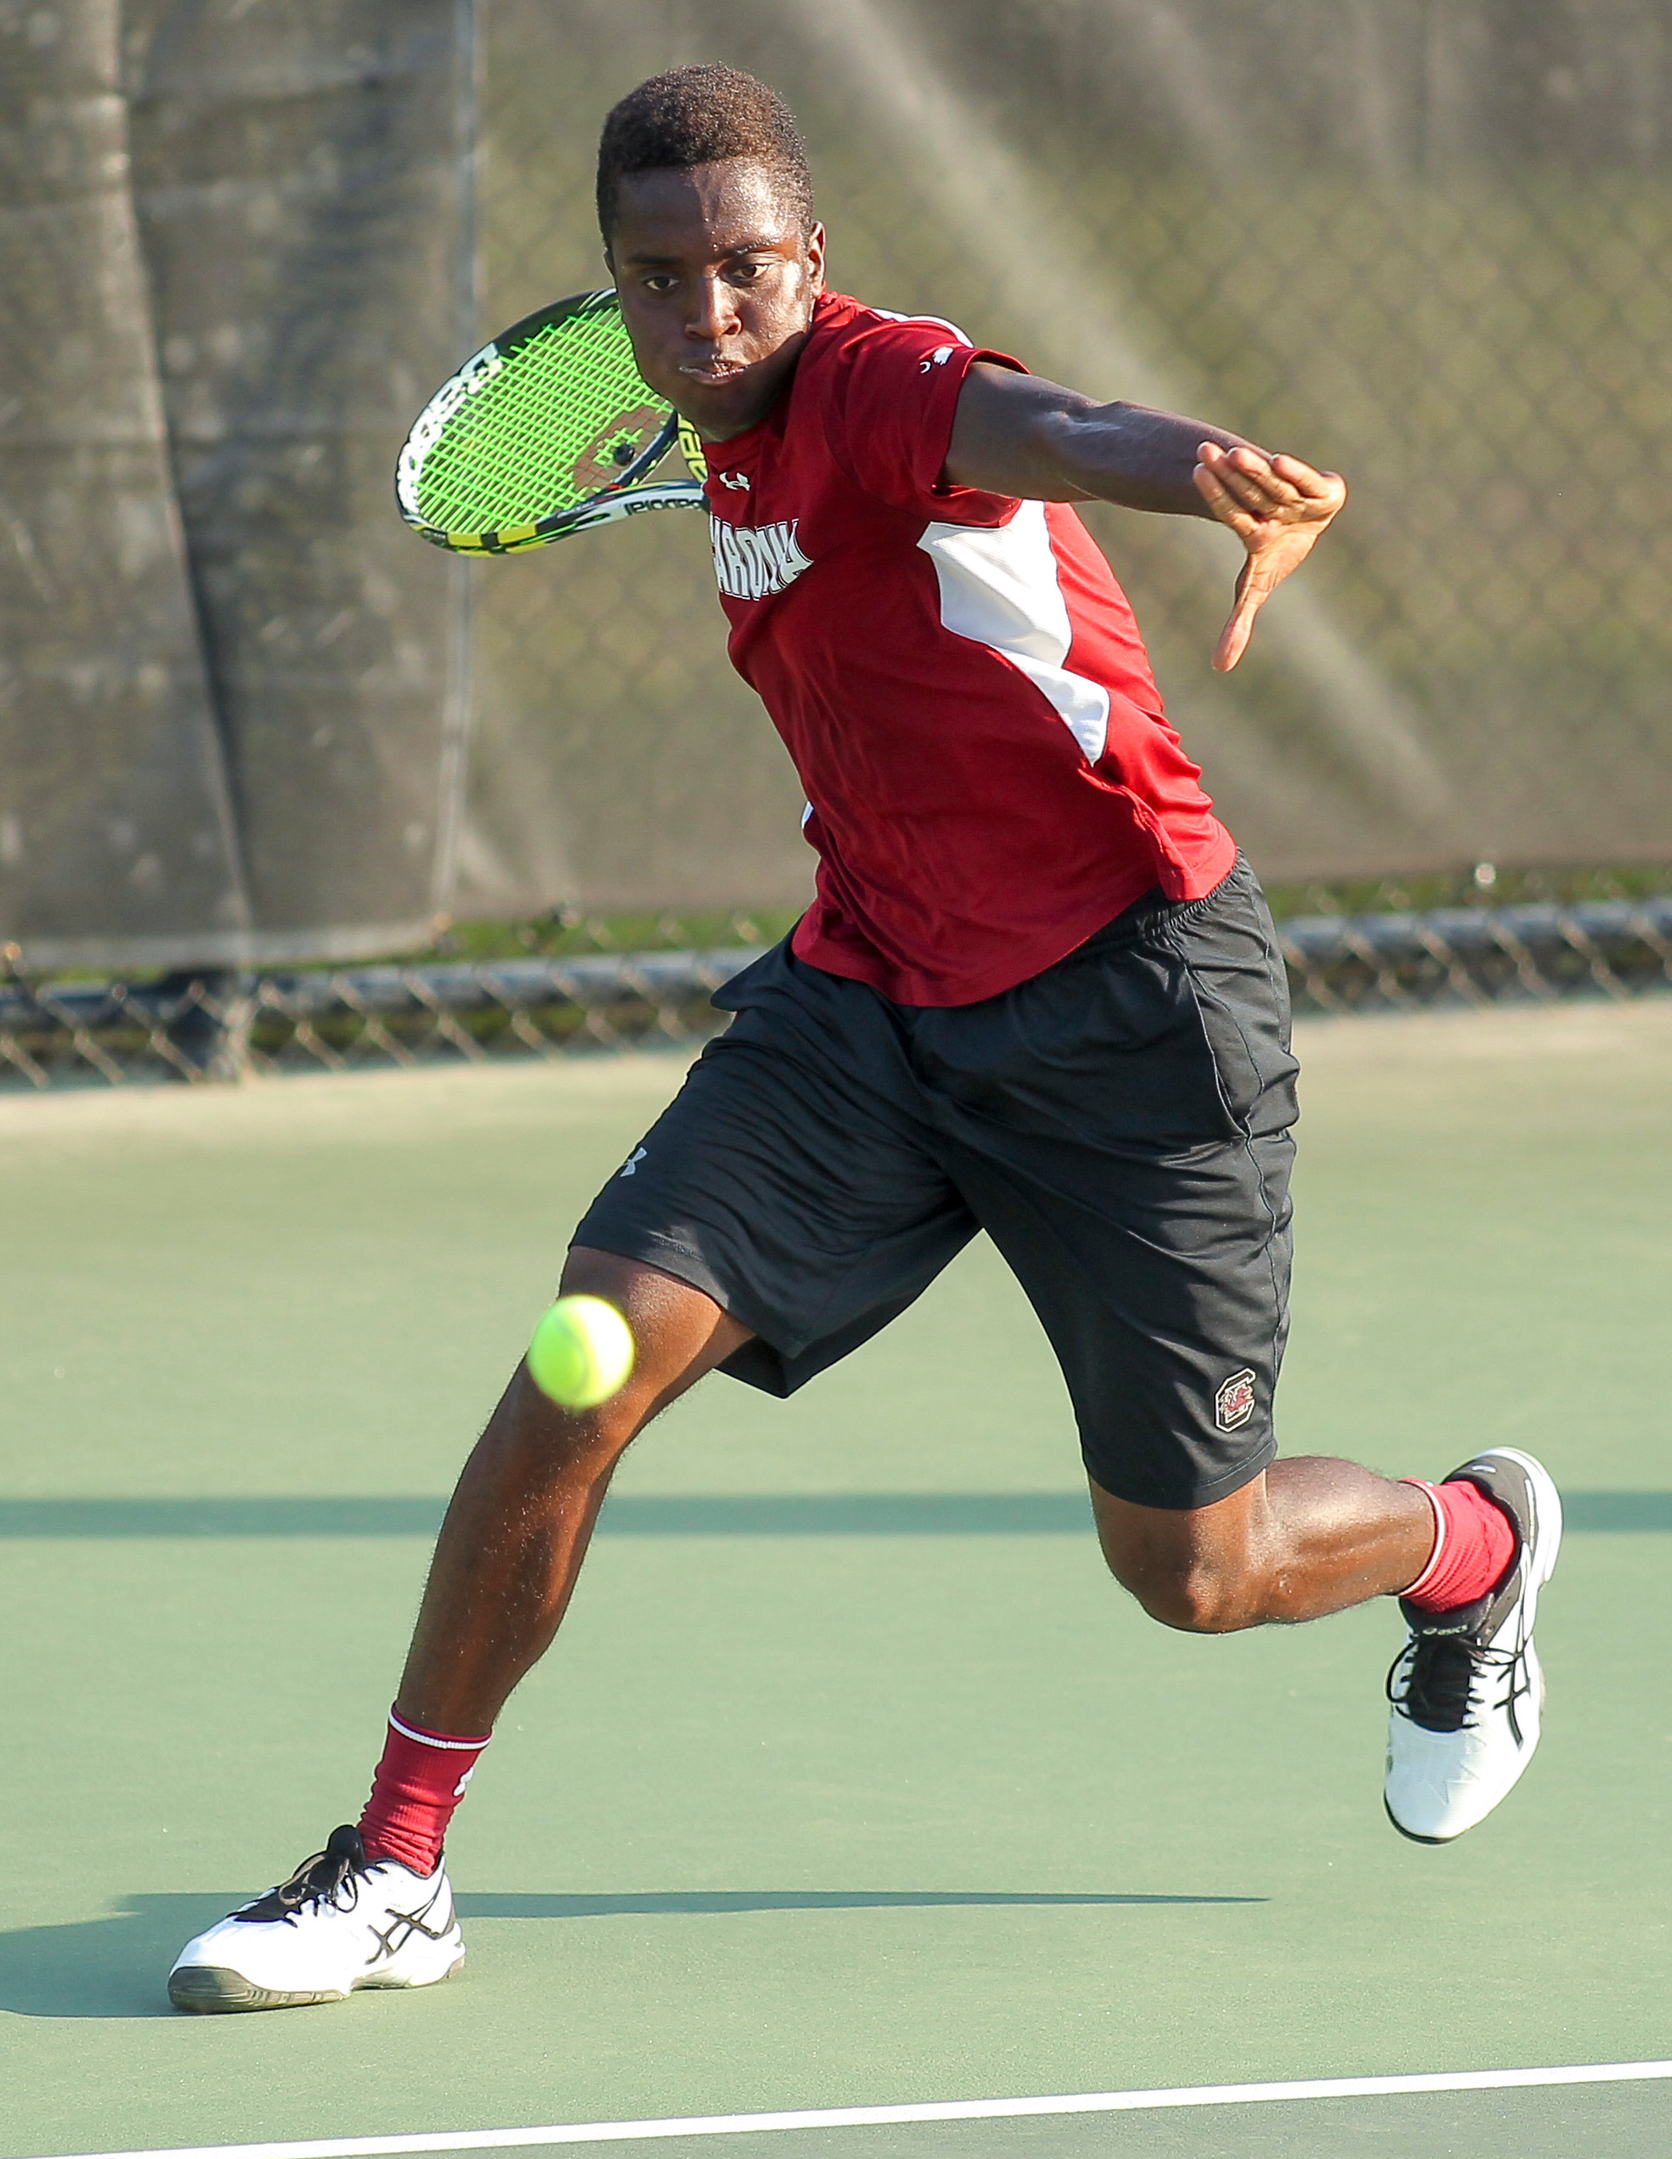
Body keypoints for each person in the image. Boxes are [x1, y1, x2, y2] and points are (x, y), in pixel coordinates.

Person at [168, 65, 1560, 2014]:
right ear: (619, 292)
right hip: (866, 1000)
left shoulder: (884, 384)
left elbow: (1047, 423)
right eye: (660, 280)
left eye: (744, 269)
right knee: (581, 1363)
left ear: (808, 262)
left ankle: (1473, 1547)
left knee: (1195, 1566)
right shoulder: (708, 434)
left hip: (1131, 1014)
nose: (706, 314)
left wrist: (1205, 470)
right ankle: (395, 1867)